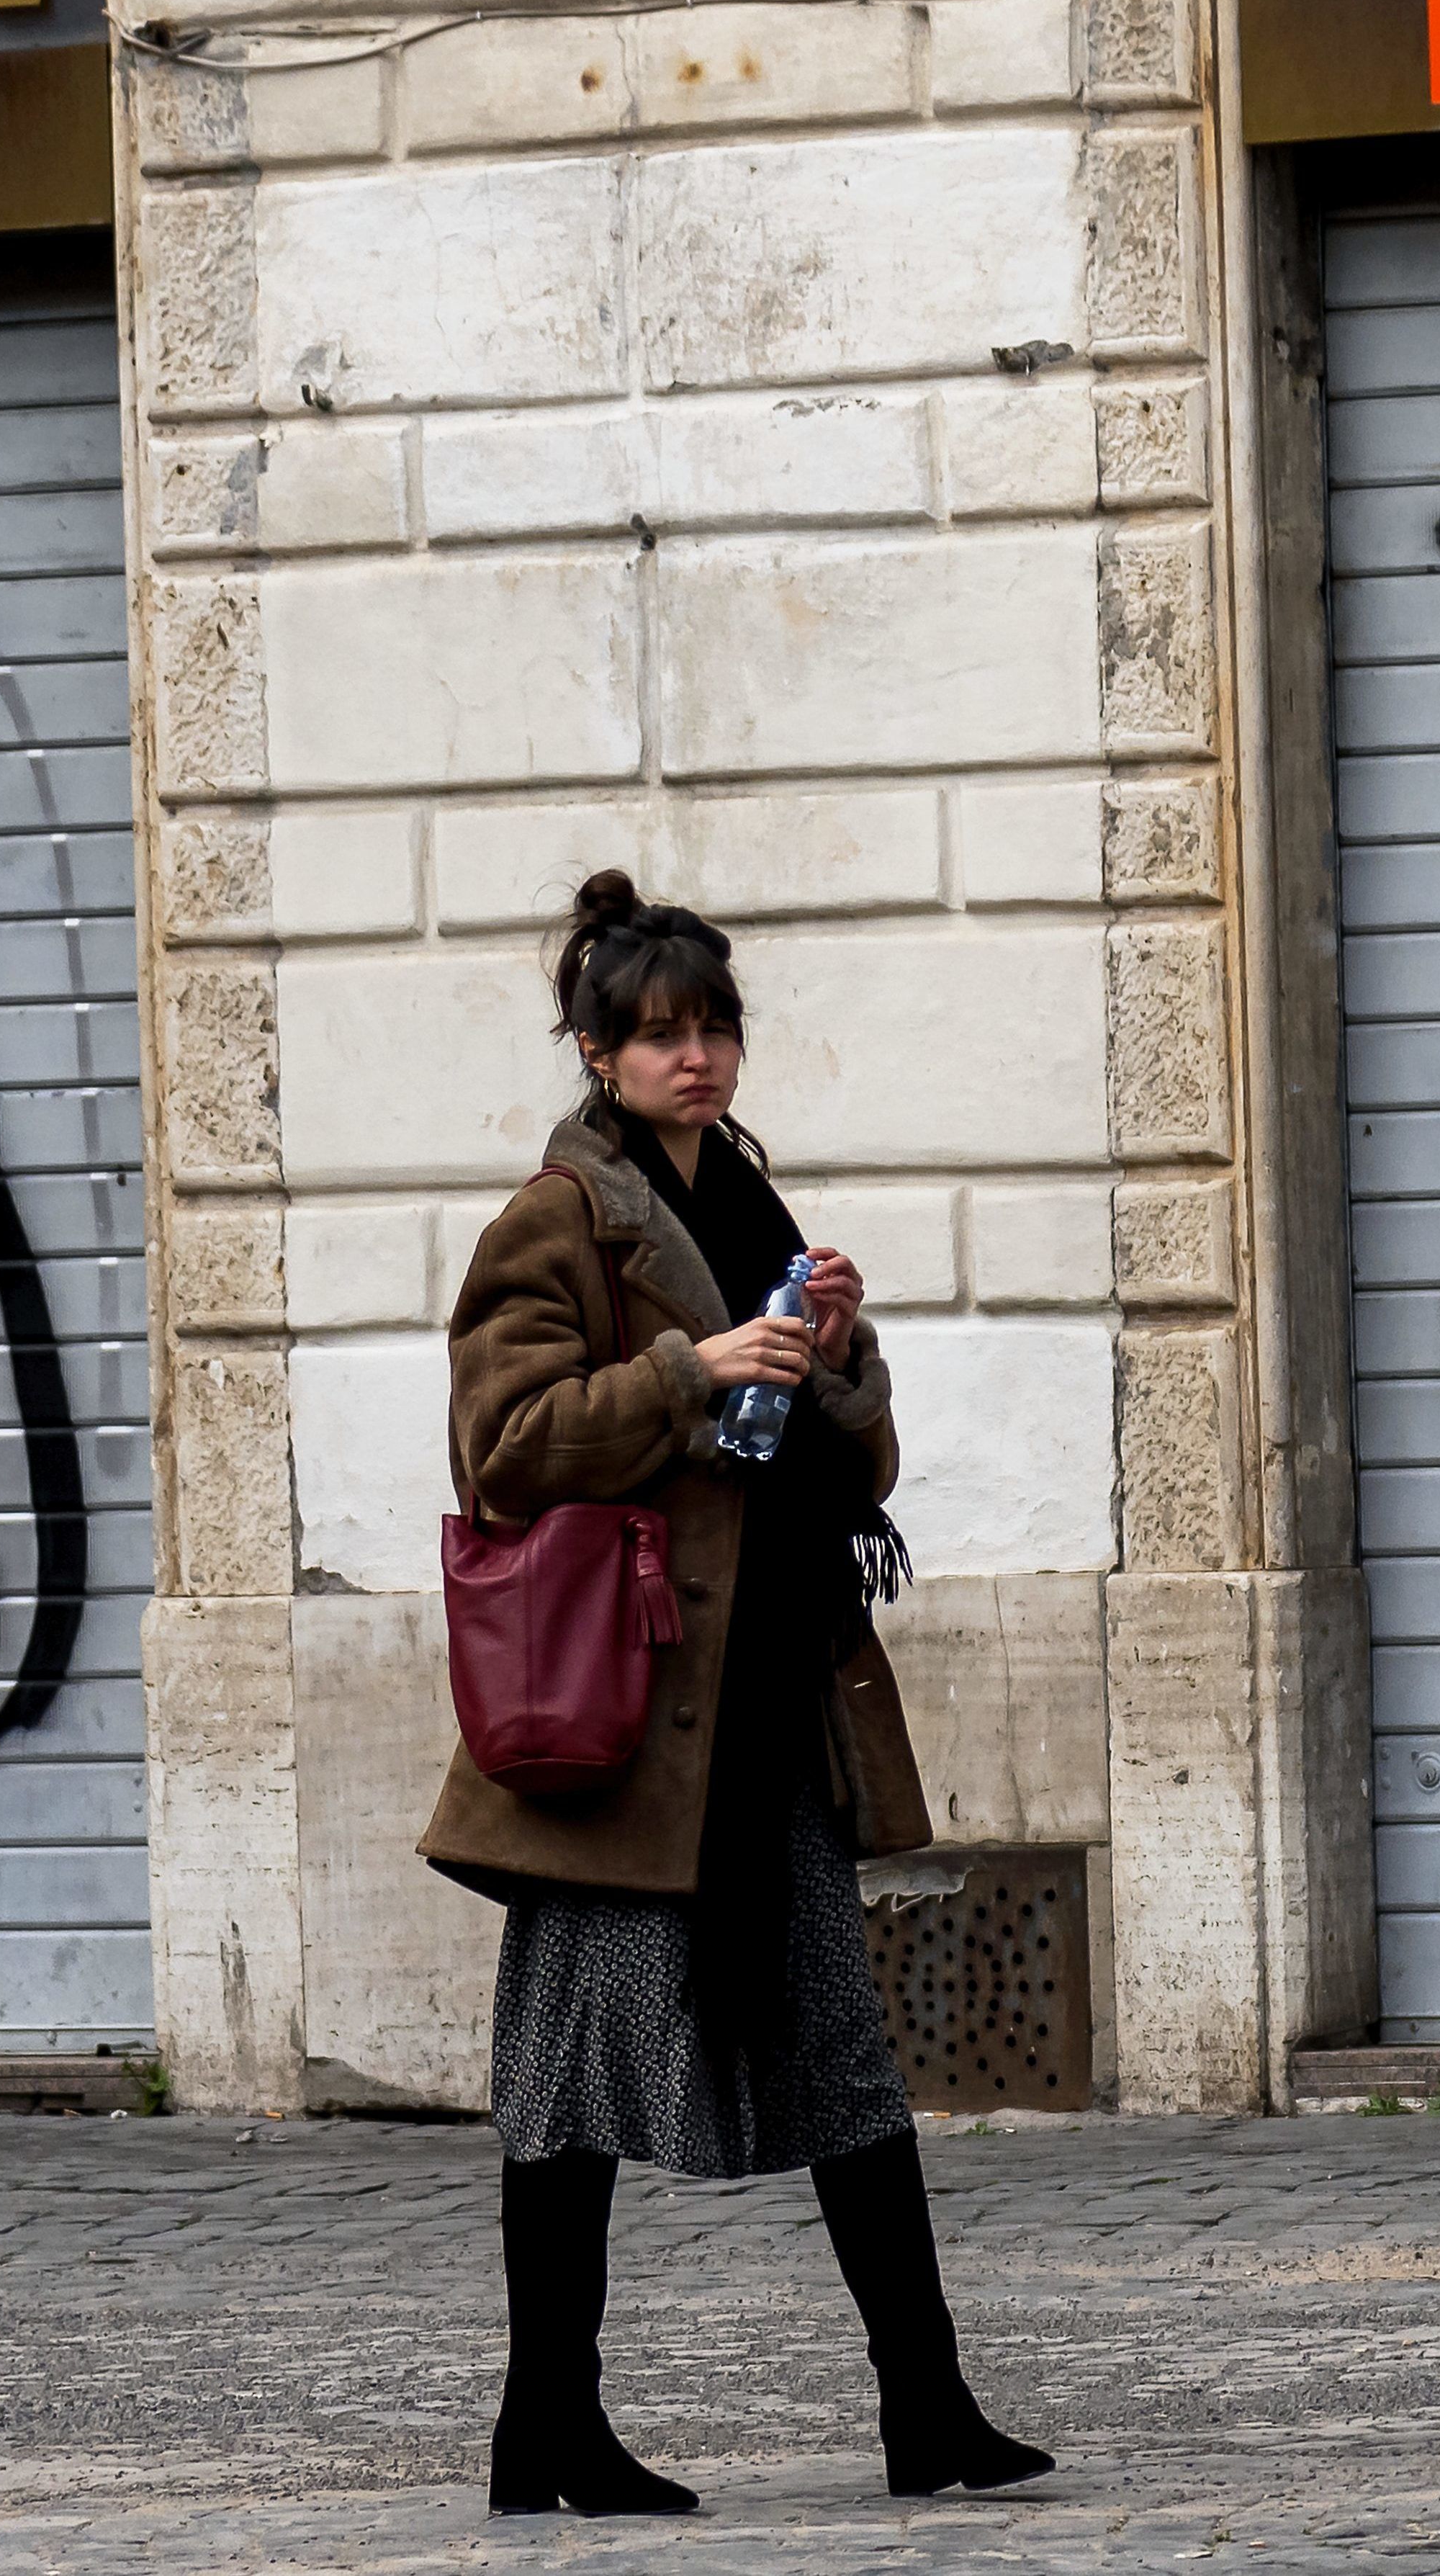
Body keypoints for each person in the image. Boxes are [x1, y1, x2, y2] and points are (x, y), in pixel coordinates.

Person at [415, 871, 1056, 2517]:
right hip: (628, 1735)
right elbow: (499, 1453)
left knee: (846, 2065)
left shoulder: (751, 1208)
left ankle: (925, 2410)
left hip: (766, 1710)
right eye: (656, 1035)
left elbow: (850, 1457)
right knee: (569, 2084)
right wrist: (682, 1374)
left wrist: (835, 1355)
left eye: (712, 1028)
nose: (693, 1059)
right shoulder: (550, 1221)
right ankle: (540, 2426)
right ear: (594, 1050)